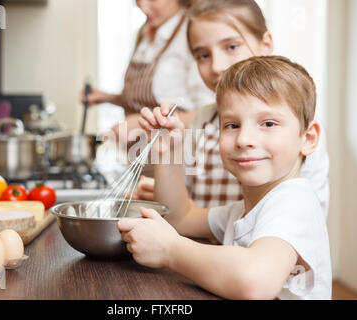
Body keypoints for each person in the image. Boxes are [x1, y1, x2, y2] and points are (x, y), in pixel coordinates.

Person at [118, 56, 332, 300]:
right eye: (232, 125)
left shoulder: (295, 201)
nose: (243, 139)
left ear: (308, 138)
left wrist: (171, 250)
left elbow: (256, 281)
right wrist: (170, 153)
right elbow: (180, 217)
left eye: (268, 123)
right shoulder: (242, 210)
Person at [133, 0, 330, 218]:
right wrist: (165, 187)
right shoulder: (203, 120)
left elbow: (304, 218)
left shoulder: (296, 123)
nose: (217, 66)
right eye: (203, 55)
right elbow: (183, 210)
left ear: (265, 45)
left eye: (231, 46)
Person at [82, 0, 214, 141]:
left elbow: (211, 112)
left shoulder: (193, 33)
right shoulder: (145, 32)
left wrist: (142, 124)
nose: (142, 7)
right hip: (139, 157)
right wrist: (106, 97)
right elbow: (143, 100)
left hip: (176, 156)